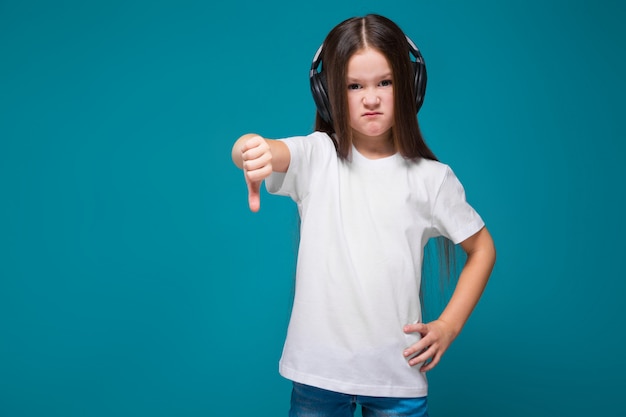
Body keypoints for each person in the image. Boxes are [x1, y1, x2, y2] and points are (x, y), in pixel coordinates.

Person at [231, 13, 496, 417]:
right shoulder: (318, 156)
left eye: (384, 83)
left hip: (397, 376)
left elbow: (482, 249)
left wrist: (448, 326)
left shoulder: (432, 179)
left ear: (409, 87)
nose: (370, 98)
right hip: (318, 374)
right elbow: (265, 147)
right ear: (329, 94)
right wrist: (250, 150)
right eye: (354, 86)